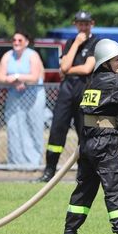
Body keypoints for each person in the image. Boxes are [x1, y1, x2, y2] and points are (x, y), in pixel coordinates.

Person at [61, 39, 118, 234]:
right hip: (104, 140)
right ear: (105, 62)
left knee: (85, 188)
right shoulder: (112, 81)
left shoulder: (94, 80)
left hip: (88, 139)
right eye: (116, 59)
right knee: (114, 186)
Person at [36, 11, 98, 182]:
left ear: (91, 24)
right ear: (75, 24)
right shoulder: (71, 42)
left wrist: (67, 70)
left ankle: (83, 173)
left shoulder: (95, 42)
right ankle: (49, 170)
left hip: (84, 89)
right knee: (57, 129)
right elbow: (63, 66)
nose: (83, 27)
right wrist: (76, 44)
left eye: (86, 24)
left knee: (83, 132)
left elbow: (87, 69)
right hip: (67, 90)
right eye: (80, 23)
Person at [0, 31, 45, 165]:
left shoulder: (33, 55)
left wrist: (17, 77)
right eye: (14, 40)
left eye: (20, 40)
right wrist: (14, 81)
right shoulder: (7, 56)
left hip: (33, 95)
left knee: (33, 126)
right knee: (14, 126)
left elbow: (35, 77)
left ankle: (34, 161)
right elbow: (1, 77)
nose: (16, 43)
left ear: (26, 42)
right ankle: (16, 161)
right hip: (14, 95)